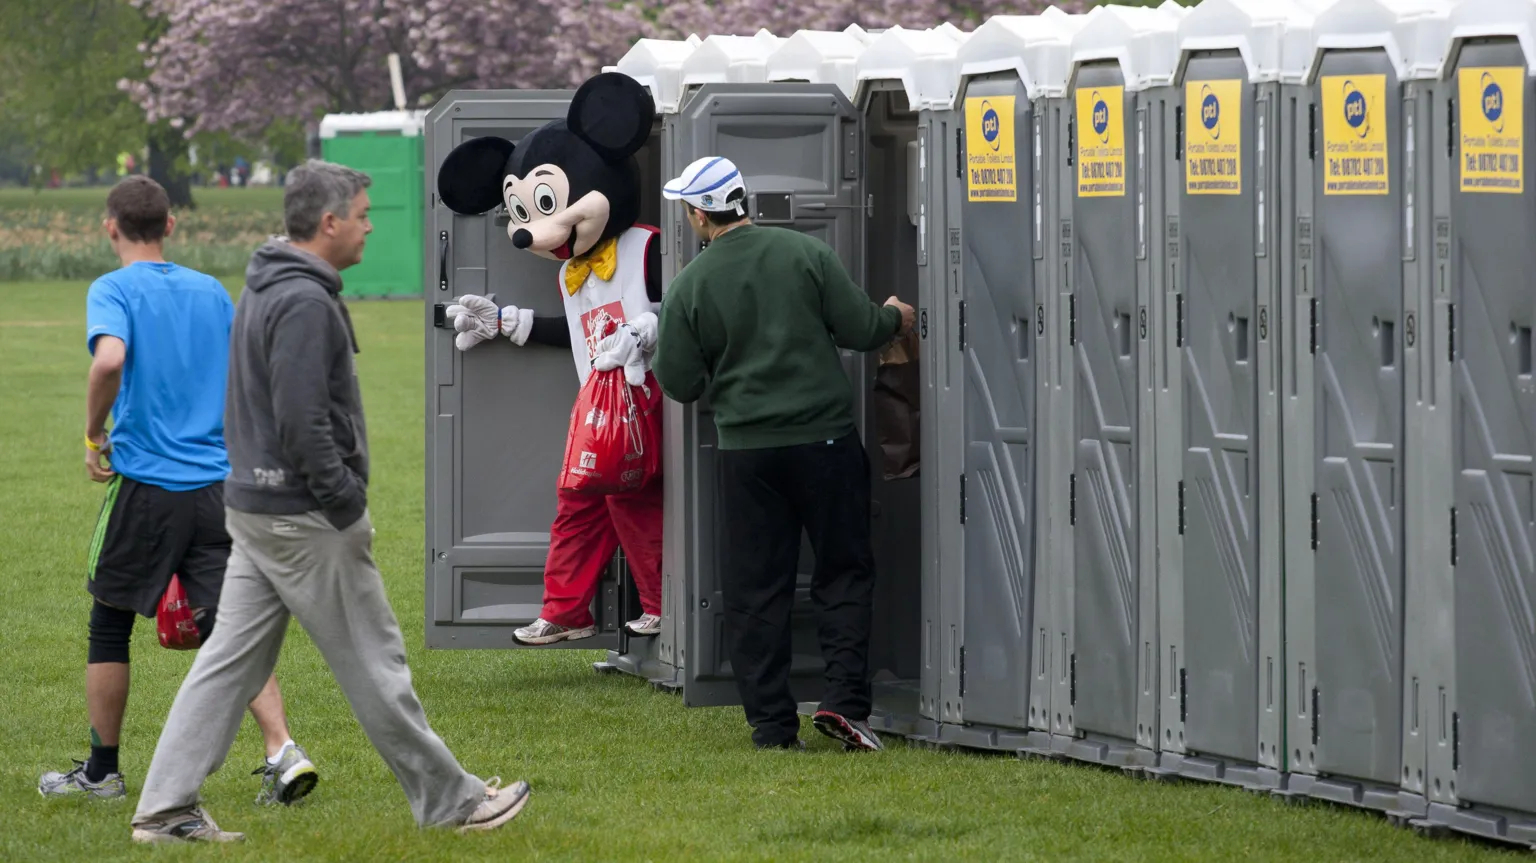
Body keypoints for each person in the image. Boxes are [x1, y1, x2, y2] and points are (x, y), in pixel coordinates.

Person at [128, 160, 529, 844]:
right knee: (376, 662)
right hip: (302, 515)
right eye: (364, 214)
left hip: (257, 506)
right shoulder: (305, 301)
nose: (372, 226)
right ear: (329, 222)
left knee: (229, 662)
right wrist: (344, 503)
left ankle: (165, 811)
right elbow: (301, 421)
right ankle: (454, 800)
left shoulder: (268, 282)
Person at [40, 175, 317, 807]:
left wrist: (91, 435)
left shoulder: (111, 288)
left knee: (109, 622)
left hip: (147, 483)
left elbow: (109, 359)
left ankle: (102, 771)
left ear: (110, 227)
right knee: (230, 626)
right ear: (170, 225)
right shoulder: (211, 291)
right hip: (218, 486)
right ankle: (282, 751)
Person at [650, 157, 915, 752]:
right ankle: (846, 703)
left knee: (754, 589)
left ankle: (772, 726)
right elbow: (860, 329)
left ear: (699, 214)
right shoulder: (805, 254)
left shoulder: (690, 284)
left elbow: (680, 383)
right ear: (743, 201)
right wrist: (895, 316)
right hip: (827, 442)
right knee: (844, 570)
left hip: (747, 454)